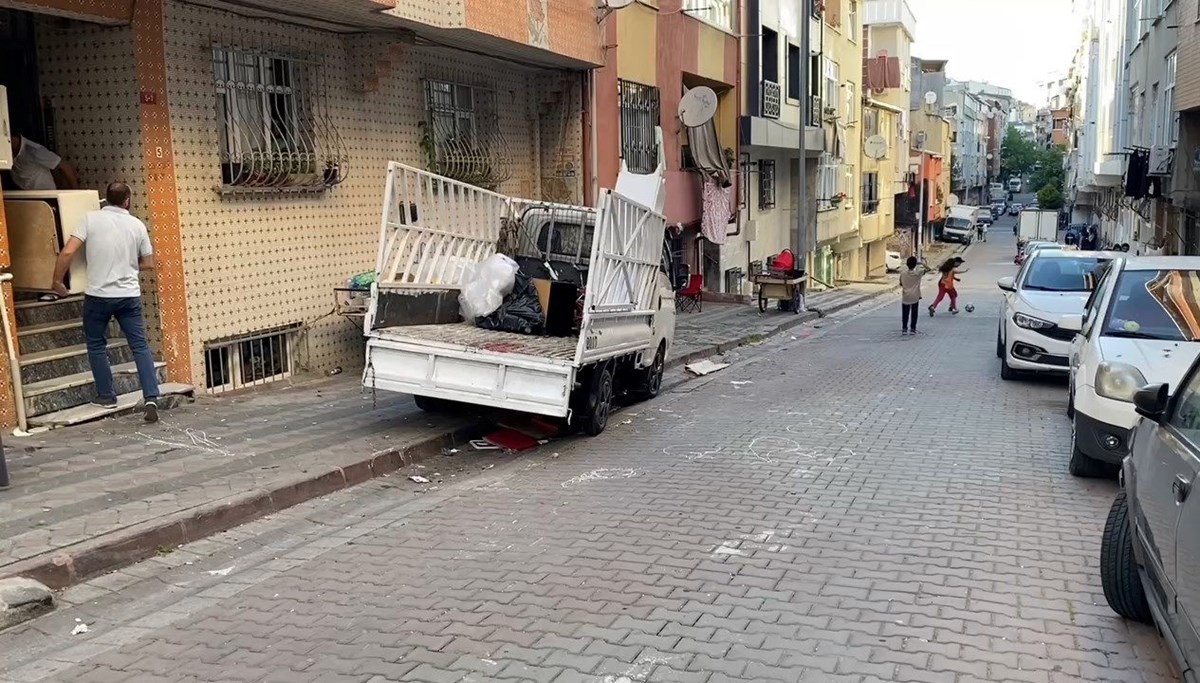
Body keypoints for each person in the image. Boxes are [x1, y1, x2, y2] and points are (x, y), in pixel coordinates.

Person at [51, 182, 159, 422]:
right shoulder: (137, 225)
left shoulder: (90, 219)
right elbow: (149, 263)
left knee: (96, 344)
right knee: (139, 346)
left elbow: (68, 252)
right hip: (128, 296)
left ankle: (106, 396)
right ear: (127, 201)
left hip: (98, 296)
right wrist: (129, 267)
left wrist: (57, 281)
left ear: (106, 198)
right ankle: (151, 396)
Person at [8, 127, 78, 191]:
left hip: (47, 196)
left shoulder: (34, 150)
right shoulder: (8, 155)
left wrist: (77, 193)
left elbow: (65, 166)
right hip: (25, 197)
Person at [899, 256, 930, 335]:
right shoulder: (918, 273)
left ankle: (904, 329)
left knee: (905, 313)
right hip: (915, 295)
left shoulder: (902, 274)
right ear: (915, 264)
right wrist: (921, 263)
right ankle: (913, 329)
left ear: (907, 264)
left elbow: (901, 283)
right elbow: (929, 269)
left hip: (906, 296)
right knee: (914, 313)